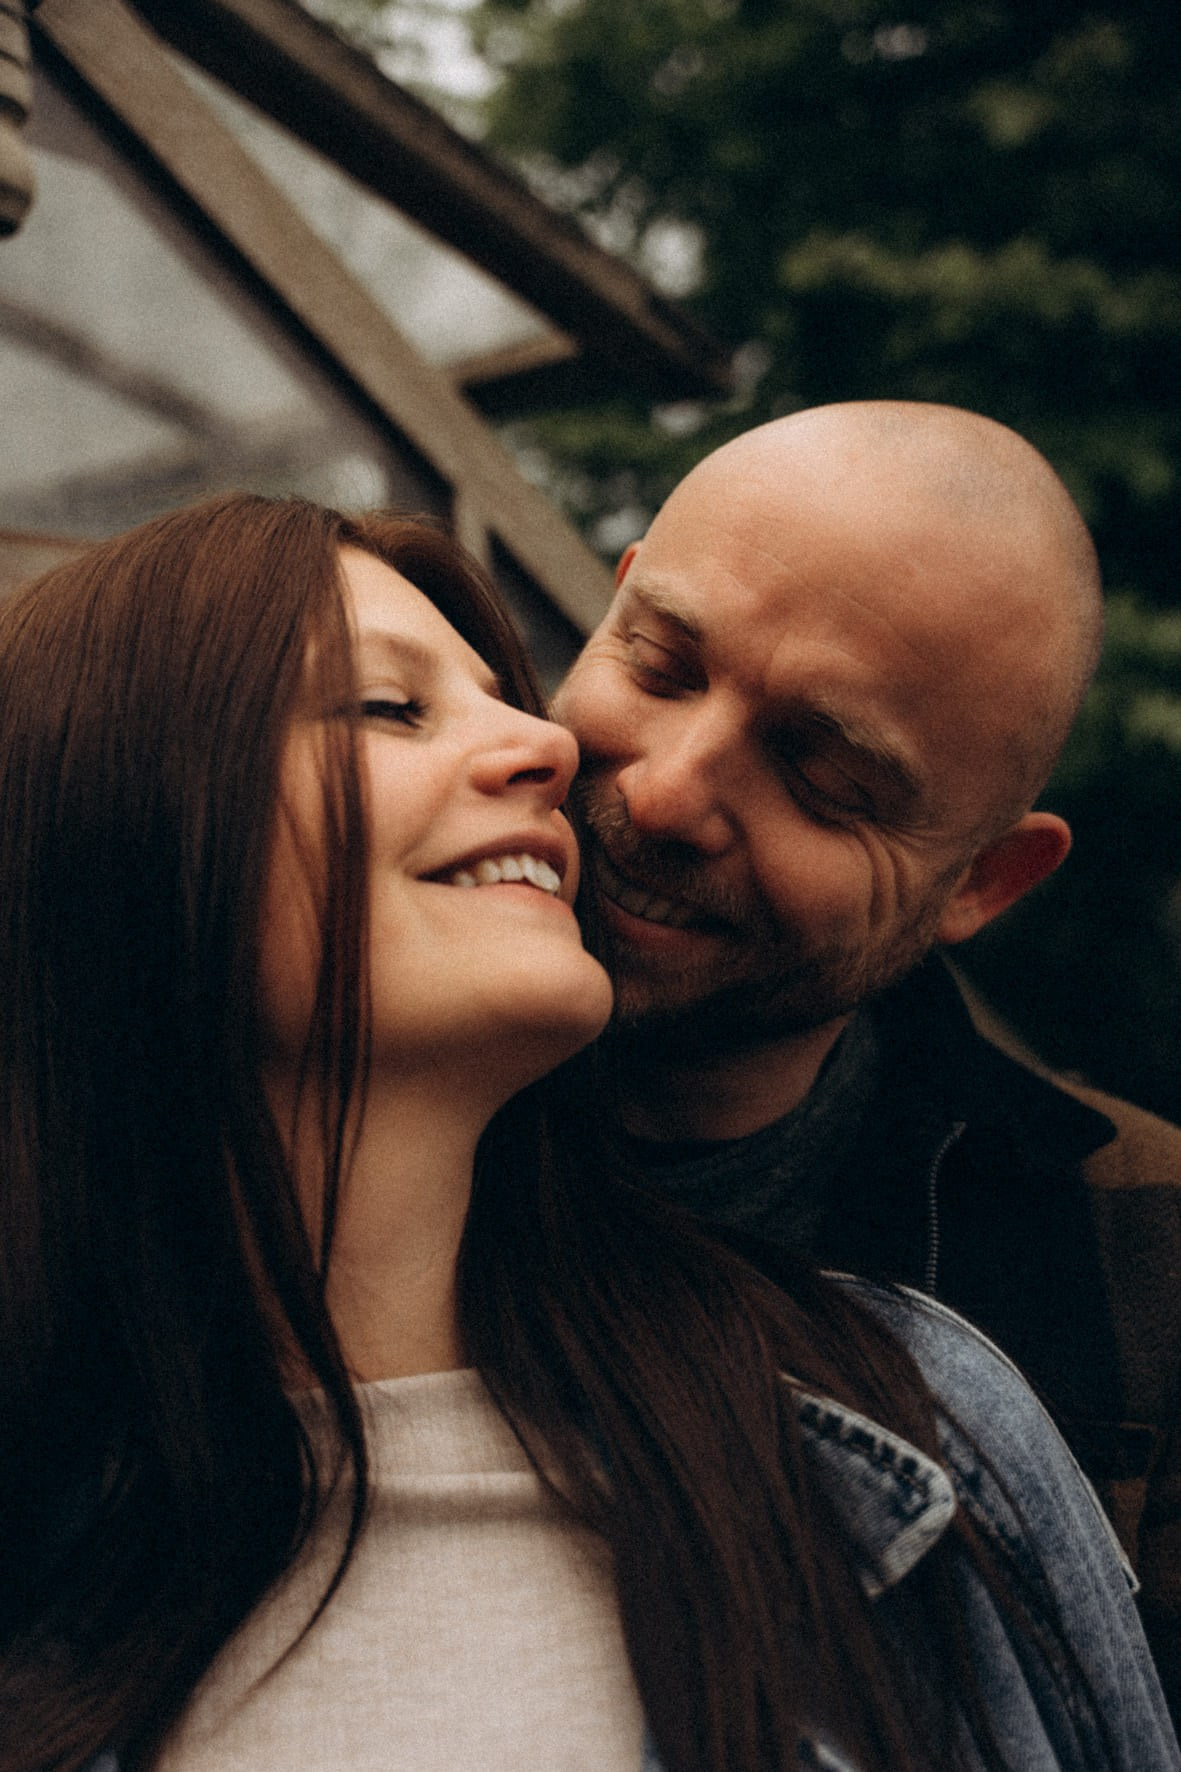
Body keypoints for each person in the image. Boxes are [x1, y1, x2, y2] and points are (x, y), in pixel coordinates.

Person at [0, 493, 1174, 1772]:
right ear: (111, 819)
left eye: (829, 777)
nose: (556, 750)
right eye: (392, 706)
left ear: (980, 881)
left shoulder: (913, 1414)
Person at [553, 399, 1181, 1709]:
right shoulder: (260, 1100)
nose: (667, 791)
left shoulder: (1144, 1252)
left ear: (985, 884)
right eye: (659, 664)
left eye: (823, 776)